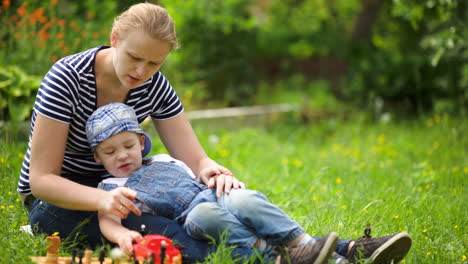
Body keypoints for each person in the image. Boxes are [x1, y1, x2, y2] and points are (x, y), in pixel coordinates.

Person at [16, 3, 247, 263]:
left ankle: (272, 240)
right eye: (134, 58)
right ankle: (256, 255)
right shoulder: (67, 79)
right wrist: (102, 199)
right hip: (58, 200)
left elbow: (196, 160)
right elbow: (42, 180)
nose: (141, 72)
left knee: (198, 207)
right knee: (159, 229)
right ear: (114, 40)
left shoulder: (154, 85)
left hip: (122, 184)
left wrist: (211, 170)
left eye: (153, 63)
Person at [87, 102, 412, 264]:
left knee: (245, 198)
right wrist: (124, 236)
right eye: (110, 151)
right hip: (191, 218)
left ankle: (301, 246)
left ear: (141, 142)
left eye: (128, 145)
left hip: (213, 194)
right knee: (205, 216)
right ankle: (283, 257)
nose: (123, 156)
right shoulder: (111, 187)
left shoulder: (165, 160)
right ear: (99, 158)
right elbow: (108, 218)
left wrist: (217, 176)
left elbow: (201, 173)